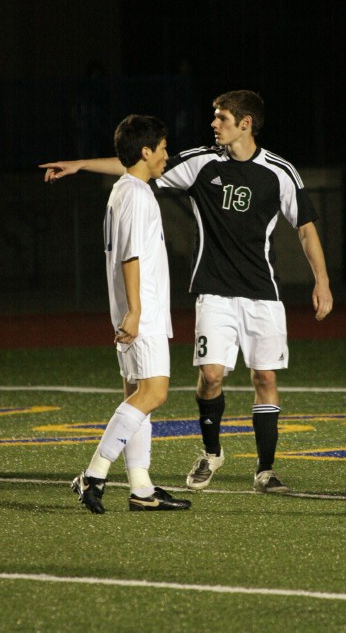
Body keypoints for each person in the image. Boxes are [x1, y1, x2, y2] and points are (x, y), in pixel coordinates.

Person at [40, 90, 333, 495]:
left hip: (263, 293)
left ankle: (265, 470)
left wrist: (322, 280)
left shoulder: (279, 171)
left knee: (264, 377)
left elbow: (304, 227)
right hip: (214, 291)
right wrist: (81, 165)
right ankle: (211, 453)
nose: (213, 124)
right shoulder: (201, 163)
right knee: (210, 377)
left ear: (245, 124)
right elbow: (138, 165)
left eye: (222, 118)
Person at [68, 114, 191, 513]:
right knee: (154, 393)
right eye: (163, 148)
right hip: (143, 312)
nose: (166, 155)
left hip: (128, 310)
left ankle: (141, 489)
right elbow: (132, 256)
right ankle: (94, 473)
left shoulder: (123, 189)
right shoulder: (137, 195)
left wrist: (81, 164)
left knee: (137, 398)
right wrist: (137, 311)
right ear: (145, 151)